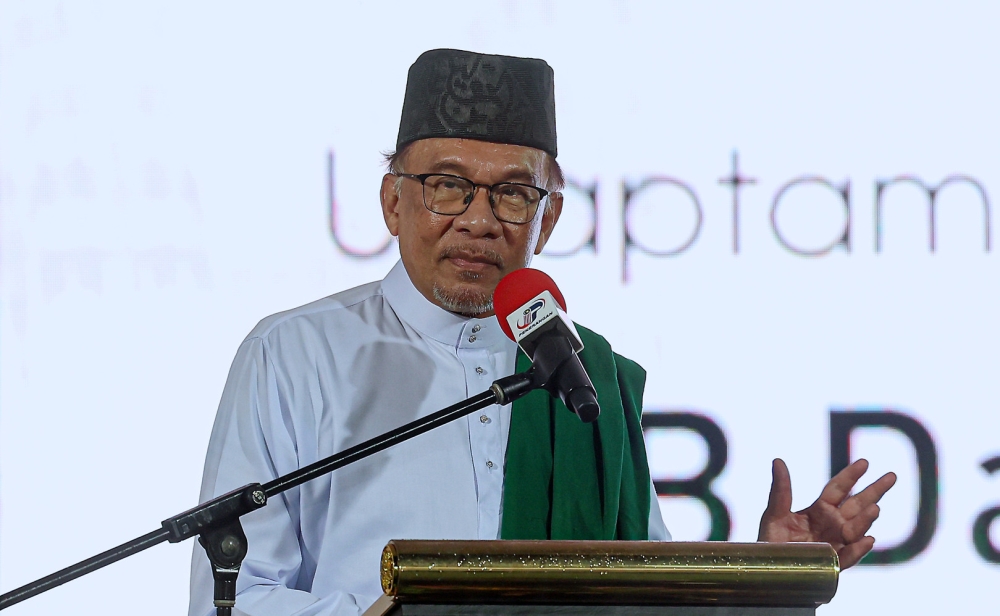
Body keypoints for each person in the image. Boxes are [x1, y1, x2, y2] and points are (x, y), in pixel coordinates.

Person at [189, 49, 896, 616]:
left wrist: (768, 582)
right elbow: (234, 596)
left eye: (513, 194)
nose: (478, 218)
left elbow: (640, 602)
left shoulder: (586, 376)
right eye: (446, 184)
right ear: (392, 201)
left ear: (546, 220)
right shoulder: (293, 354)